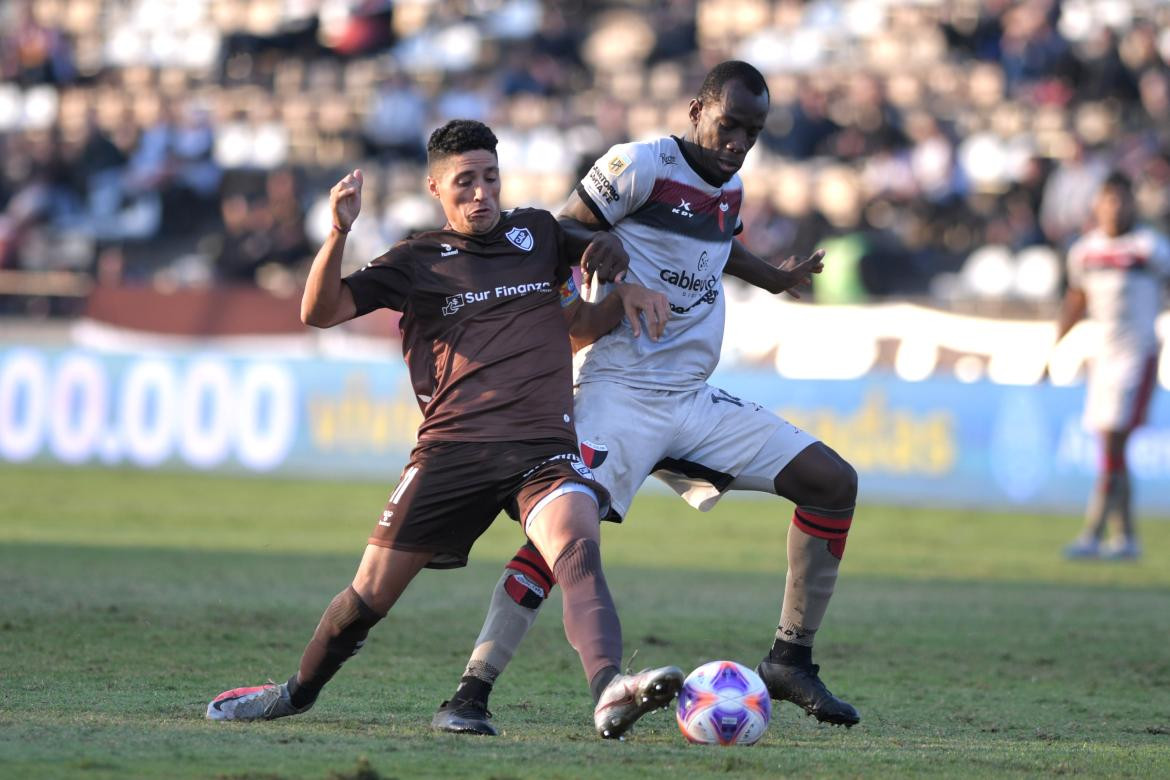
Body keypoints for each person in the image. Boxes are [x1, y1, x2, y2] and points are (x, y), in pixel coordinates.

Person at [205, 119, 681, 739]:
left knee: (578, 546)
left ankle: (609, 688)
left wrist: (623, 277)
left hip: (542, 448)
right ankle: (296, 693)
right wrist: (338, 230)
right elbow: (318, 312)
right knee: (368, 596)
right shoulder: (417, 260)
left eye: (490, 178)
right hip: (452, 451)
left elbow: (591, 259)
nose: (481, 193)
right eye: (465, 182)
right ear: (436, 188)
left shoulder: (535, 232)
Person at [432, 61, 861, 737]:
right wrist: (604, 252)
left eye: (752, 131)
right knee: (566, 536)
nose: (739, 142)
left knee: (833, 483)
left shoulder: (731, 187)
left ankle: (789, 659)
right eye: (729, 125)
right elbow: (556, 229)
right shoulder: (639, 165)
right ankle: (470, 692)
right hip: (619, 391)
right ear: (697, 110)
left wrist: (774, 278)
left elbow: (718, 244)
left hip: (691, 400)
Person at [1057, 173, 1170, 560]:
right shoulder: (1084, 251)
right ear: (1097, 204)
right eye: (1108, 199)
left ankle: (1093, 532)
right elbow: (1077, 298)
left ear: (1131, 204)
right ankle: (1126, 538)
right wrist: (1056, 344)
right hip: (1101, 357)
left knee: (1111, 443)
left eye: (1122, 200)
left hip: (1137, 355)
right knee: (1113, 448)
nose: (1115, 207)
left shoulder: (1149, 247)